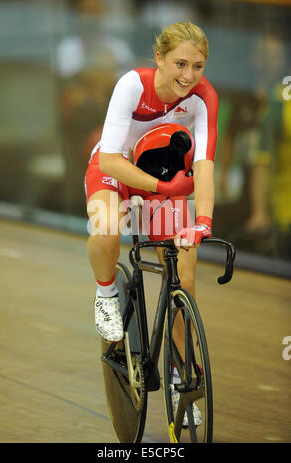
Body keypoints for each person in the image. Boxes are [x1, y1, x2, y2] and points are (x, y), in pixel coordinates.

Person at [85, 21, 218, 426]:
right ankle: (106, 293)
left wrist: (203, 221)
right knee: (107, 224)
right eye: (180, 63)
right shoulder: (132, 85)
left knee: (186, 275)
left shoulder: (204, 97)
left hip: (161, 180)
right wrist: (162, 185)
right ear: (159, 58)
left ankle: (182, 374)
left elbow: (205, 167)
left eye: (198, 66)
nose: (188, 76)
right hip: (116, 170)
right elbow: (109, 160)